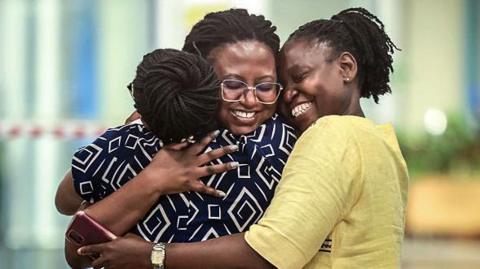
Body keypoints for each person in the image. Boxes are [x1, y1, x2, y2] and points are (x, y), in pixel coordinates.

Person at [77, 7, 409, 269]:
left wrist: (153, 255)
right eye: (284, 86)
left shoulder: (324, 136)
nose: (288, 96)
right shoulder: (381, 142)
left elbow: (274, 250)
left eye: (269, 85)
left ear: (347, 67)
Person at [57, 9, 297, 269]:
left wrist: (153, 253)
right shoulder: (144, 134)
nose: (250, 100)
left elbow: (70, 218)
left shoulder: (133, 138)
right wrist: (155, 179)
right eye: (232, 84)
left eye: (264, 86)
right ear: (199, 75)